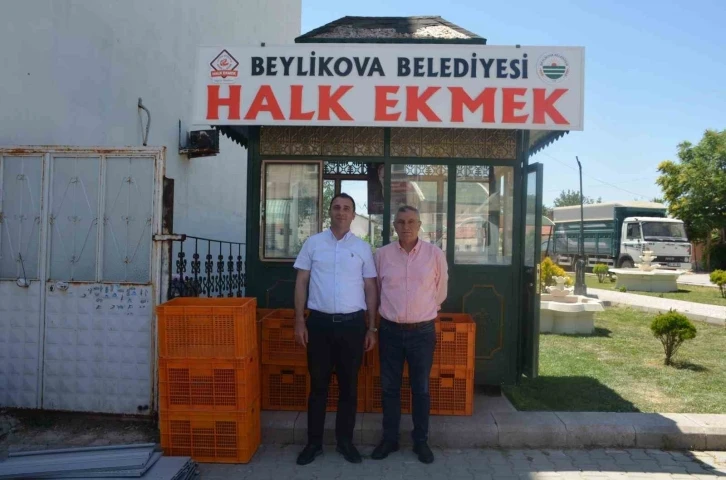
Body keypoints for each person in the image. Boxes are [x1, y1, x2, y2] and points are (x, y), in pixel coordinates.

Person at [293, 193, 378, 466]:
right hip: (319, 325)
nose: (341, 212)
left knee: (349, 388)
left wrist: (372, 327)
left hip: (352, 327)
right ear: (330, 211)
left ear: (353, 214)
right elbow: (301, 282)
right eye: (337, 207)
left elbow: (370, 288)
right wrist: (299, 320)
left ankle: (345, 443)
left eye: (347, 208)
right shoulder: (313, 243)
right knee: (318, 387)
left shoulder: (363, 248)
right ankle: (314, 444)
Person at [371, 205, 448, 464]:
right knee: (389, 388)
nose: (406, 226)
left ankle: (421, 442)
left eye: (412, 221)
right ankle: (390, 440)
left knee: (421, 388)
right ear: (394, 225)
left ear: (419, 225)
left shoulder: (434, 254)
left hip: (422, 332)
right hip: (390, 331)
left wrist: (422, 311)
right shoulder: (382, 255)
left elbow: (440, 291)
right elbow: (378, 289)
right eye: (401, 222)